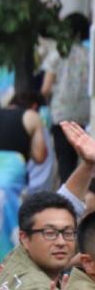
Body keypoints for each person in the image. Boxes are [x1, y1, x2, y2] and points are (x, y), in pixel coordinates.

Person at [0, 91, 49, 265]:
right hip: (9, 172)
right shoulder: (31, 116)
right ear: (34, 106)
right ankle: (9, 264)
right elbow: (40, 156)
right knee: (11, 219)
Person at [43, 13, 91, 184]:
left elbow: (46, 88)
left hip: (61, 114)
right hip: (84, 114)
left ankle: (66, 195)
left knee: (64, 161)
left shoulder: (57, 53)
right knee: (81, 159)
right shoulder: (89, 55)